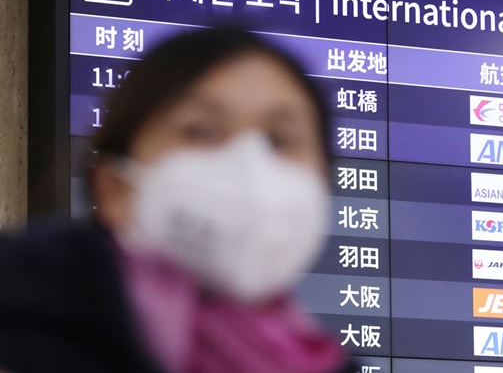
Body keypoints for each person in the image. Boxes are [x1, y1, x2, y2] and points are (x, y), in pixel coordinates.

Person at [0, 27, 358, 373]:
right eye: (201, 131)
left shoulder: (325, 364)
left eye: (280, 139)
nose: (249, 166)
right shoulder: (20, 331)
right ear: (114, 187)